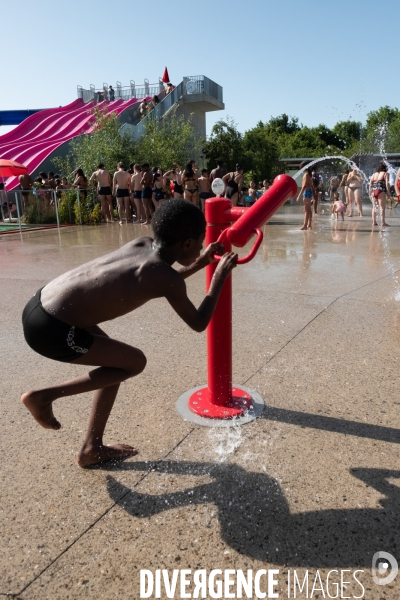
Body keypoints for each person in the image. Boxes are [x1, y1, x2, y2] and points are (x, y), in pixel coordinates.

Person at [20, 200, 237, 468]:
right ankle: (44, 396)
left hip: (41, 304)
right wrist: (219, 276)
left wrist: (202, 262)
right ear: (187, 243)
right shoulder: (163, 276)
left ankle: (92, 448)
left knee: (117, 363)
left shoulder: (142, 244)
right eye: (200, 244)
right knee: (134, 362)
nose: (201, 249)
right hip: (52, 329)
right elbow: (198, 322)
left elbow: (167, 280)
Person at [369, 162, 391, 227]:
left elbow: (370, 184)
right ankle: (383, 222)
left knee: (374, 207)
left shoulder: (373, 174)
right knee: (382, 207)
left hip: (373, 191)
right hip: (381, 190)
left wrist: (370, 192)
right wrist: (388, 193)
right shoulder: (385, 173)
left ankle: (374, 222)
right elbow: (387, 184)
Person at [296, 161, 313, 230]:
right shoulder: (309, 174)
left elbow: (304, 186)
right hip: (309, 191)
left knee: (306, 210)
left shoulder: (306, 175)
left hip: (306, 192)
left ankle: (305, 225)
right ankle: (309, 225)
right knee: (308, 209)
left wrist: (298, 196)